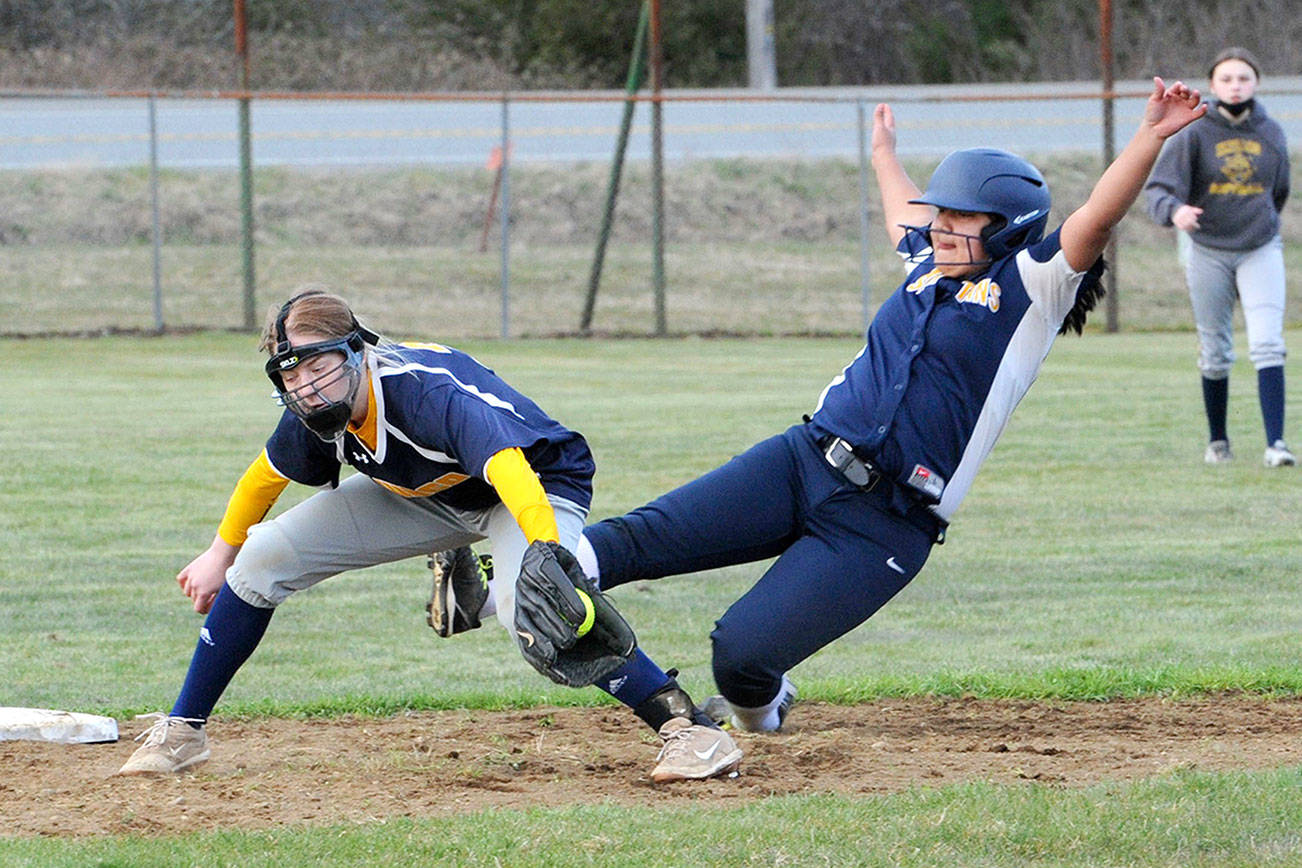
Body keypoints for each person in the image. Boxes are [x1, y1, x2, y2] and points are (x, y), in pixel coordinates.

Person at [559, 79, 1205, 732]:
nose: (942, 227)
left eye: (961, 218)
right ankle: (508, 585)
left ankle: (764, 713)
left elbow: (1097, 215)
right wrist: (882, 154)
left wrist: (1150, 134)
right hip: (802, 460)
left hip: (883, 523)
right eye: (941, 215)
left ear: (1008, 228)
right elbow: (904, 209)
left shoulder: (1030, 290)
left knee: (741, 656)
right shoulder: (928, 261)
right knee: (630, 540)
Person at [116, 288, 740, 783]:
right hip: (430, 493)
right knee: (263, 559)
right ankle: (185, 730)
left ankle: (690, 730)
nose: (307, 385)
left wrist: (547, 550)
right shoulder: (312, 409)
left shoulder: (420, 393)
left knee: (533, 610)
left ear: (358, 350)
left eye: (320, 364)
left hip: (528, 486)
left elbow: (506, 468)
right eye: (292, 374)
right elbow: (264, 479)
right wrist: (220, 553)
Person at [1144, 47, 1294, 467]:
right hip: (1207, 249)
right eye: (1226, 78)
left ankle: (1276, 446)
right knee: (1215, 350)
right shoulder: (1195, 131)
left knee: (1267, 343)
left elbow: (1278, 192)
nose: (1235, 85)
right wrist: (1175, 211)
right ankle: (1218, 442)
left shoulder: (1271, 132)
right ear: (1212, 85)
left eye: (1243, 78)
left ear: (1256, 83)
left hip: (1259, 246)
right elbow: (1159, 189)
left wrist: (1258, 224)